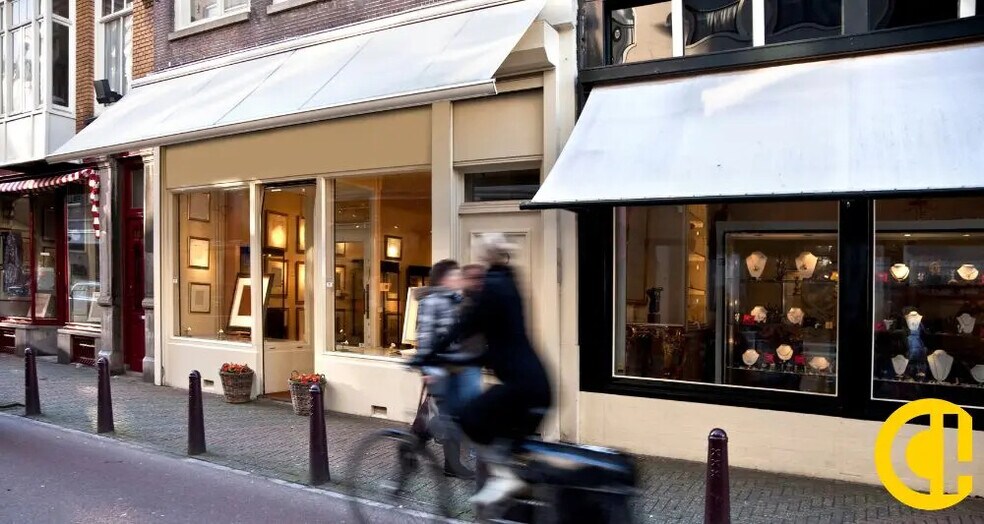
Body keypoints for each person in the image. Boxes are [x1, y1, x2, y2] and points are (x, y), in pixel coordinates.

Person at [445, 234, 552, 509]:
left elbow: (465, 327)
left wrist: (429, 354)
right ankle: (508, 489)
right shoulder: (509, 280)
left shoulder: (493, 286)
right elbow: (500, 340)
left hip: (521, 387)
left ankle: (504, 479)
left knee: (469, 418)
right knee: (504, 443)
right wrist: (474, 357)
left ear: (484, 255)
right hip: (536, 383)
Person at [411, 259, 479, 479]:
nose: (459, 279)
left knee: (451, 415)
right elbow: (425, 336)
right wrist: (427, 369)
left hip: (456, 367)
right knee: (445, 416)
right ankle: (417, 449)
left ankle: (447, 461)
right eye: (455, 275)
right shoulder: (431, 302)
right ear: (443, 279)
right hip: (439, 369)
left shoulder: (457, 300)